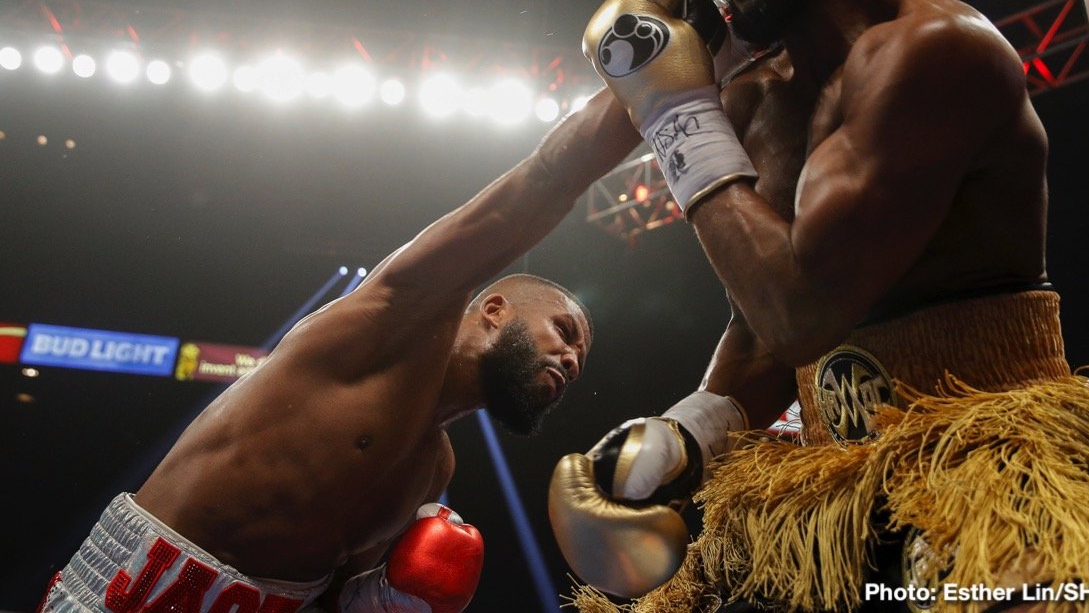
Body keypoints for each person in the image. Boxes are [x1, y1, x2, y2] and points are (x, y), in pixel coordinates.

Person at [550, 0, 1089, 612]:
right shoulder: (757, 98)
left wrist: (676, 120)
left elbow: (804, 315)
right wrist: (687, 435)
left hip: (992, 470)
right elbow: (764, 319)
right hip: (837, 488)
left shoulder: (938, 50)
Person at [36, 88, 647, 613]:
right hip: (130, 594)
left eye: (579, 359)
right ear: (494, 311)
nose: (570, 361)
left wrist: (392, 597)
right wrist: (646, 92)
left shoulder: (434, 470)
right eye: (564, 333)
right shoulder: (380, 330)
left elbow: (334, 600)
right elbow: (538, 187)